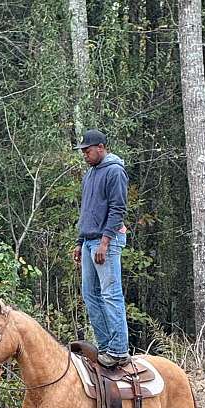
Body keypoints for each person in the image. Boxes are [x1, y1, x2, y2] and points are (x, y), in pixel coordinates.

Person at [73, 129, 130, 368]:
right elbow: (86, 210)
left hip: (106, 241)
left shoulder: (114, 171)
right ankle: (105, 346)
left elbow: (118, 208)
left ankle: (119, 350)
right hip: (89, 241)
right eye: (83, 151)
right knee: (90, 295)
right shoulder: (90, 174)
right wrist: (80, 241)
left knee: (110, 294)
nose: (85, 154)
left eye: (88, 150)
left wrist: (105, 242)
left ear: (101, 147)